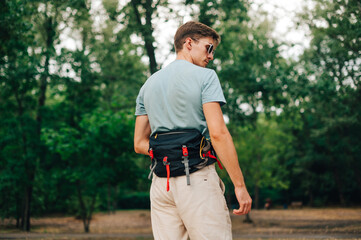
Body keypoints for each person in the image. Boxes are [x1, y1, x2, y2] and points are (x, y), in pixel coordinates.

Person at [134, 21, 252, 240]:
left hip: (161, 184)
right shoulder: (206, 77)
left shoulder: (148, 85)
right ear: (189, 43)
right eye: (209, 48)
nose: (211, 56)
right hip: (197, 181)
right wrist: (240, 185)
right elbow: (218, 134)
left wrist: (169, 151)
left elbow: (139, 143)